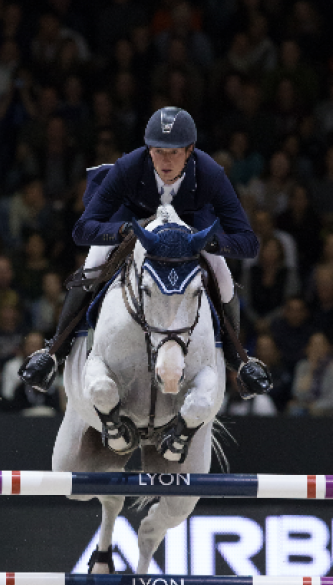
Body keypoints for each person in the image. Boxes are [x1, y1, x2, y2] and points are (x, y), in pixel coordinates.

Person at [20, 106, 272, 398]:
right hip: (136, 224)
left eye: (174, 152)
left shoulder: (210, 173)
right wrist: (121, 232)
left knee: (222, 274)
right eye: (158, 151)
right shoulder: (129, 166)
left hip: (190, 230)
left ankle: (237, 359)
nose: (165, 161)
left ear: (190, 150)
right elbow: (82, 229)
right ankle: (53, 352)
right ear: (148, 149)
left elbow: (248, 242)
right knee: (94, 262)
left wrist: (213, 244)